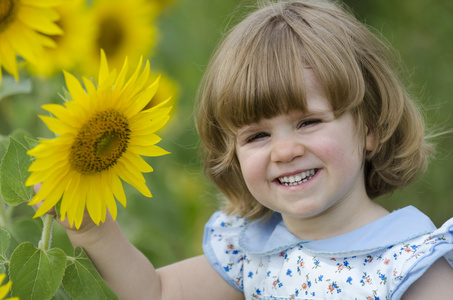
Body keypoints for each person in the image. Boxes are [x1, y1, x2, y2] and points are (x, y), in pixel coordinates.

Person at [38, 0, 453, 299]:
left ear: (370, 129)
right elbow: (156, 293)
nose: (285, 150)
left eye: (307, 122)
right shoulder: (254, 249)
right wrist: (96, 232)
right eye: (257, 136)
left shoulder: (410, 268)